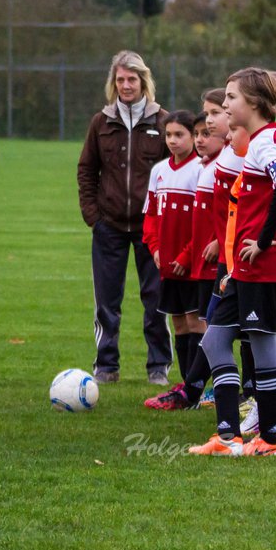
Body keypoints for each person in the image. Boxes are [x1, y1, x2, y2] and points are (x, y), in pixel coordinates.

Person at [190, 68, 276, 457]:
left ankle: (272, 439)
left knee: (264, 344)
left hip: (263, 265)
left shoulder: (266, 142)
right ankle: (228, 436)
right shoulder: (260, 141)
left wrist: (264, 241)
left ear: (252, 103)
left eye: (231, 97)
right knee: (216, 340)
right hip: (244, 268)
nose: (226, 105)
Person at [77, 51, 171, 385]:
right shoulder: (100, 123)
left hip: (152, 229)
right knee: (106, 300)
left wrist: (163, 221)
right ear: (113, 83)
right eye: (120, 80)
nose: (126, 85)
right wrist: (93, 216)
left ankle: (158, 366)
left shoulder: (162, 122)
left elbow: (175, 172)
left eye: (132, 79)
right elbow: (87, 170)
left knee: (157, 299)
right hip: (110, 226)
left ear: (143, 81)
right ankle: (106, 366)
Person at [141, 110, 202, 392]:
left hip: (191, 264)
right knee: (178, 324)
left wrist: (186, 255)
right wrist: (155, 248)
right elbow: (151, 216)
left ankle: (198, 382)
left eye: (180, 135)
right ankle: (186, 381)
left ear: (192, 136)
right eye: (169, 135)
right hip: (166, 264)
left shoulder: (201, 169)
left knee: (195, 321)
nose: (173, 141)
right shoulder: (159, 170)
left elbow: (205, 224)